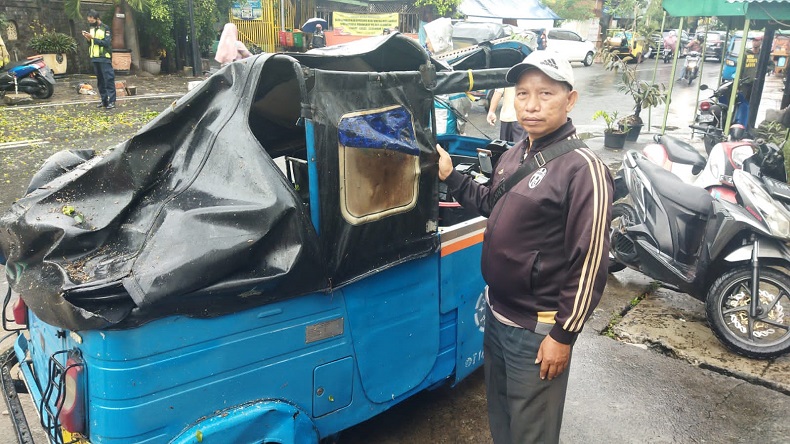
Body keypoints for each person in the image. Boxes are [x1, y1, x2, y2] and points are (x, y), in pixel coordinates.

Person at [437, 50, 613, 443]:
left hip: (538, 329)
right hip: (498, 316)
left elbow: (591, 261)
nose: (531, 106)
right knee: (502, 420)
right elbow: (490, 204)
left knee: (531, 432)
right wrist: (450, 177)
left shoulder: (584, 169)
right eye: (522, 94)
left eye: (545, 94)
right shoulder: (517, 153)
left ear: (570, 100)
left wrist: (563, 336)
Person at [81, 10, 115, 110]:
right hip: (95, 58)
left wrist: (93, 38)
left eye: (92, 20)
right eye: (89, 21)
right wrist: (88, 39)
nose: (90, 22)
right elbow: (90, 43)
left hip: (104, 57)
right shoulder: (91, 28)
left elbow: (106, 43)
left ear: (97, 19)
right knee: (100, 81)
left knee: (108, 79)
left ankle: (112, 101)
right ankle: (104, 100)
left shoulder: (105, 28)